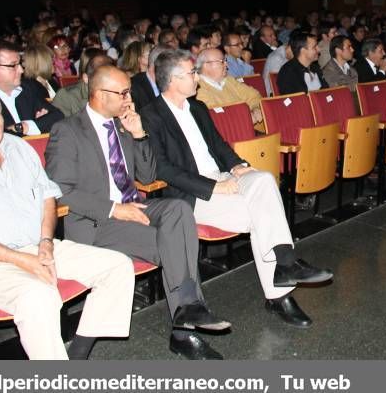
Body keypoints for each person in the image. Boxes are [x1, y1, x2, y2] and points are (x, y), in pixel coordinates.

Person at [0, 86, 135, 359]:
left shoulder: (17, 147)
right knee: (39, 295)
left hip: (34, 247)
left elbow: (48, 197)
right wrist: (20, 260)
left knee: (118, 266)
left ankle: (79, 350)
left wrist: (46, 242)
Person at [46, 66, 229, 360]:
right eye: (123, 93)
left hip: (135, 205)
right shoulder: (67, 131)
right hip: (97, 221)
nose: (129, 98)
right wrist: (115, 209)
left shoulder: (122, 125)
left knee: (179, 209)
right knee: (177, 243)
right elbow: (60, 190)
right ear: (99, 94)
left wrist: (139, 134)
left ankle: (187, 312)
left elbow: (147, 175)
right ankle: (186, 327)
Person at [141, 50, 332, 326]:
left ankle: (286, 263)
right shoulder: (151, 115)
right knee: (262, 216)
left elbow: (219, 146)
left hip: (221, 178)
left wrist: (238, 165)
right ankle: (280, 293)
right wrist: (213, 187)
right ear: (172, 79)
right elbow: (163, 169)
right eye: (192, 73)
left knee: (264, 179)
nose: (197, 77)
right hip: (194, 194)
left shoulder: (197, 107)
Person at [0, 40, 63, 136]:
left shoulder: (27, 87)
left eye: (20, 64)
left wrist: (26, 126)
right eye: (13, 65)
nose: (21, 70)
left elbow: (58, 116)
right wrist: (38, 125)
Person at [195, 48, 264, 127]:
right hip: (231, 134)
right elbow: (219, 117)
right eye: (222, 62)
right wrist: (246, 117)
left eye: (225, 61)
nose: (226, 65)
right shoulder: (198, 89)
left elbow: (254, 95)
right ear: (206, 65)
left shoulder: (228, 80)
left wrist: (255, 108)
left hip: (250, 128)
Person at [52, 53, 114, 117]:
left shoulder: (116, 93)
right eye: (100, 80)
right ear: (86, 78)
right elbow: (59, 126)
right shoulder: (66, 96)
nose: (107, 85)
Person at [130, 45, 173, 110]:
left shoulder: (171, 83)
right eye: (172, 66)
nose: (175, 70)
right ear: (158, 65)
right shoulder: (133, 88)